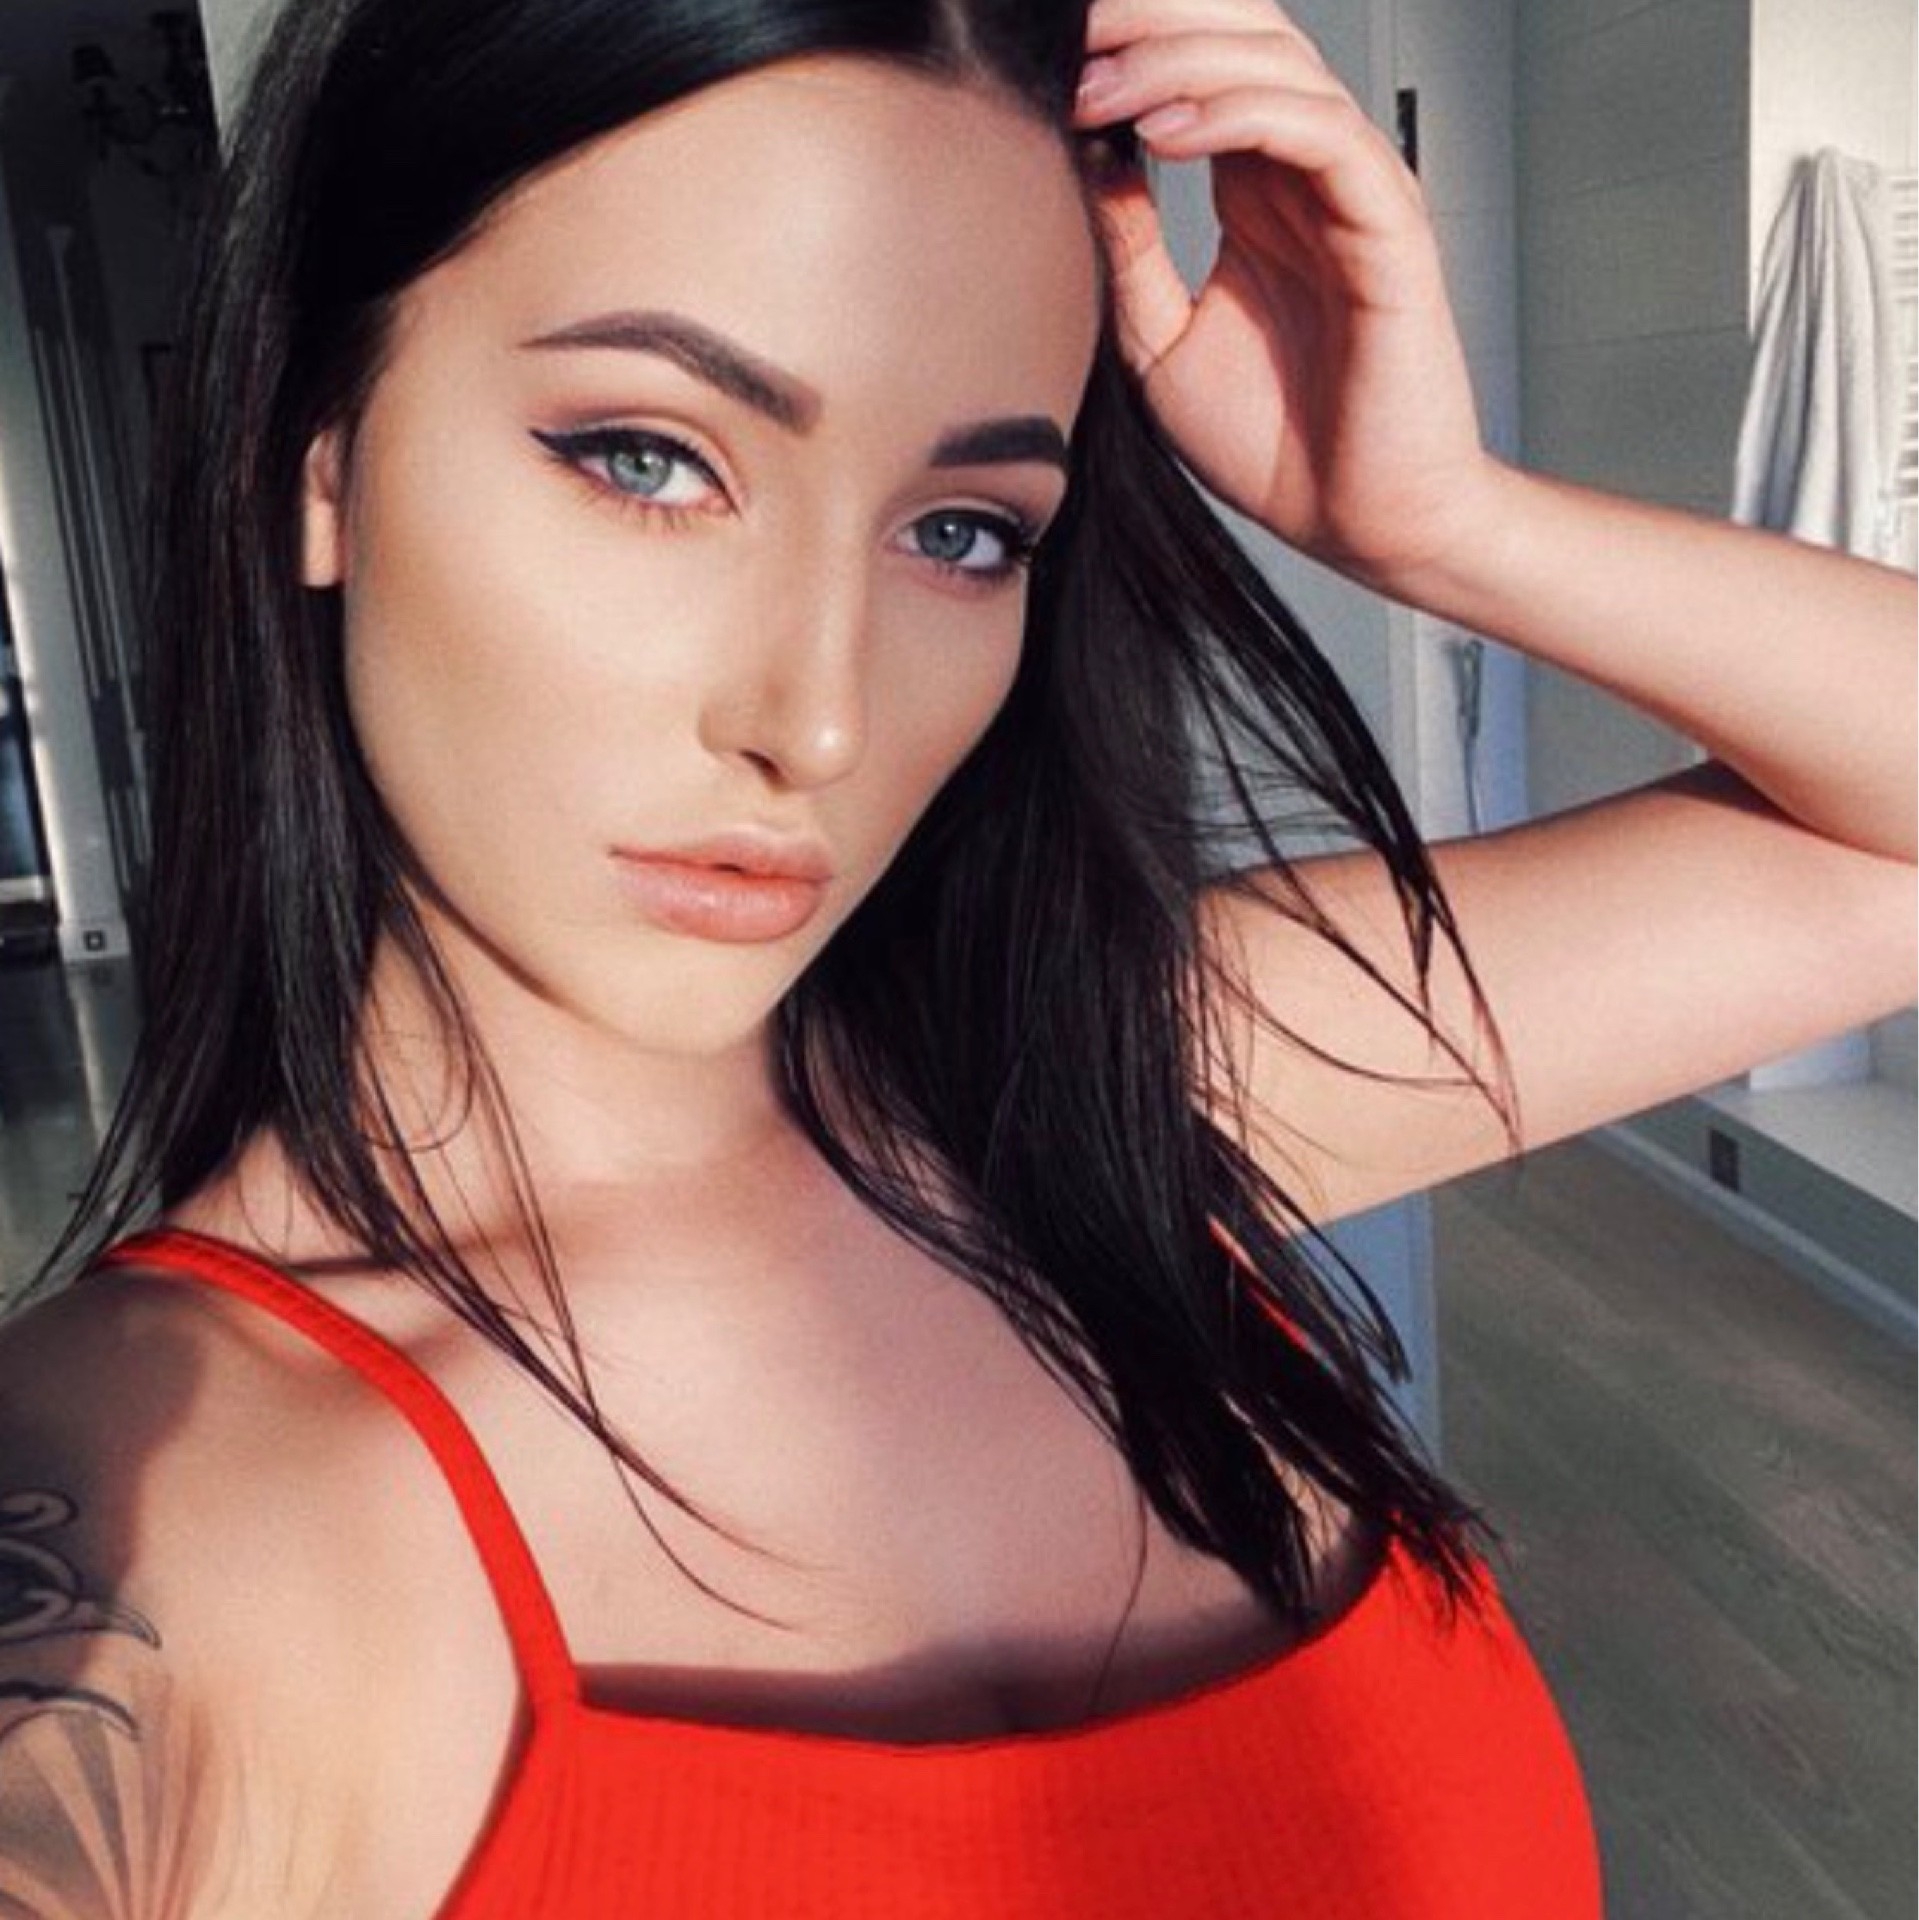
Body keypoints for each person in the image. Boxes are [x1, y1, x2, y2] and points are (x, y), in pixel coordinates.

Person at [1, 0, 1910, 1912]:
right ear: (321, 456)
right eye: (651, 459)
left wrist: (1448, 524)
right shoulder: (158, 1511)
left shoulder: (1115, 1094)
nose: (819, 721)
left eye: (965, 533)